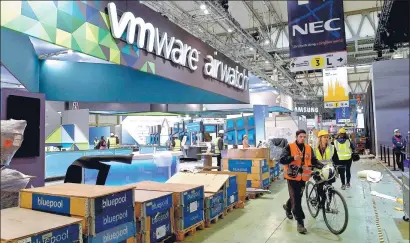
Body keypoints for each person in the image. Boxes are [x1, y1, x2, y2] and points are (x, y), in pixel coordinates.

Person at [280, 129, 324, 234]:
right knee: (297, 200)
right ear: (296, 137)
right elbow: (282, 159)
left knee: (296, 198)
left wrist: (322, 166)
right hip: (292, 178)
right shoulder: (289, 147)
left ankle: (287, 206)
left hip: (303, 178)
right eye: (301, 136)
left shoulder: (308, 148)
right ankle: (300, 223)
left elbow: (313, 160)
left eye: (304, 137)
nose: (303, 138)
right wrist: (292, 158)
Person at [315, 130, 339, 207]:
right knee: (320, 188)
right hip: (318, 172)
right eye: (324, 137)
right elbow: (312, 160)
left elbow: (336, 159)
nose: (326, 139)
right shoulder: (314, 148)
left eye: (327, 137)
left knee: (329, 189)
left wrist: (338, 166)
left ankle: (328, 204)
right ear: (320, 138)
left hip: (329, 172)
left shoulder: (331, 147)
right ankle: (321, 201)